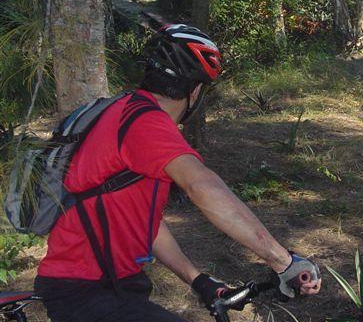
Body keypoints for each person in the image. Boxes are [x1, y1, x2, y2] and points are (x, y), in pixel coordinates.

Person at [34, 24, 321, 322]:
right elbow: (202, 185)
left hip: (108, 288)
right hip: (87, 292)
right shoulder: (145, 123)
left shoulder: (122, 110)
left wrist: (199, 281)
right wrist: (282, 260)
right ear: (195, 91)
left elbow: (146, 223)